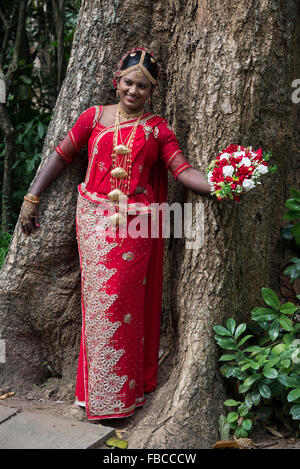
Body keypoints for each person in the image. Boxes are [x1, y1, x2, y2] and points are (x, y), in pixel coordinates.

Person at [19, 47, 212, 420]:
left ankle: (124, 396)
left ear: (151, 90)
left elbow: (182, 171)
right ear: (116, 82)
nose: (134, 91)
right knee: (97, 307)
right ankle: (93, 395)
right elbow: (61, 156)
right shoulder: (93, 117)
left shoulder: (158, 130)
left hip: (137, 226)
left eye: (142, 86)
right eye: (128, 83)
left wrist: (219, 184)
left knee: (123, 307)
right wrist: (32, 196)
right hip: (92, 219)